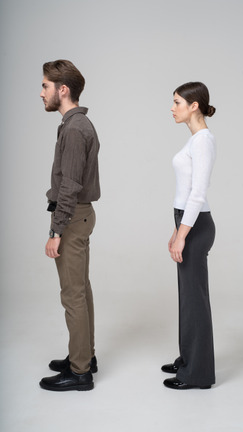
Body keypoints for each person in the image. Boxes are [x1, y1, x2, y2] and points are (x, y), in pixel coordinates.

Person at [39, 60, 101, 392]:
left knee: (72, 295)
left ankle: (80, 373)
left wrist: (56, 231)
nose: (42, 92)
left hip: (73, 217)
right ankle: (83, 356)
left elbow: (70, 185)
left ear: (63, 90)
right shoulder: (74, 124)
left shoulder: (76, 128)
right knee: (80, 290)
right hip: (77, 215)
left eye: (46, 86)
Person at [162, 82, 216, 390]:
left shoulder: (203, 140)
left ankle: (198, 375)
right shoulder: (195, 139)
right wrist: (176, 231)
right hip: (186, 223)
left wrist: (183, 235)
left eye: (177, 102)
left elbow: (198, 194)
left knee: (195, 302)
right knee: (188, 300)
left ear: (193, 105)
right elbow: (184, 195)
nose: (172, 108)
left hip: (196, 226)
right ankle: (188, 359)